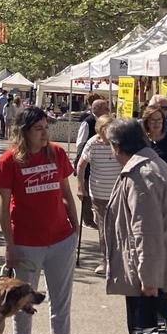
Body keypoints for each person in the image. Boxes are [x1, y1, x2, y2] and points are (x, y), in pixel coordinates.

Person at [0, 106, 79, 334]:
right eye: (39, 128)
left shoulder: (57, 153)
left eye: (46, 127)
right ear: (24, 132)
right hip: (26, 244)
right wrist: (9, 244)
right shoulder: (9, 161)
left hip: (60, 241)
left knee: (61, 303)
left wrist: (75, 229)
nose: (45, 133)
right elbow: (4, 207)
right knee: (22, 303)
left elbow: (66, 192)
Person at [102, 117, 167, 334]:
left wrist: (149, 281)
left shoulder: (140, 175)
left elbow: (147, 232)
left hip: (148, 279)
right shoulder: (152, 164)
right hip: (154, 272)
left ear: (118, 146)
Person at [74, 114, 117, 276]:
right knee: (104, 230)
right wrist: (80, 187)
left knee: (118, 228)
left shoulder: (118, 143)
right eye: (106, 128)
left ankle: (118, 260)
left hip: (118, 193)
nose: (109, 132)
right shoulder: (92, 143)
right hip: (99, 194)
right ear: (99, 129)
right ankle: (105, 261)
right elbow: (81, 166)